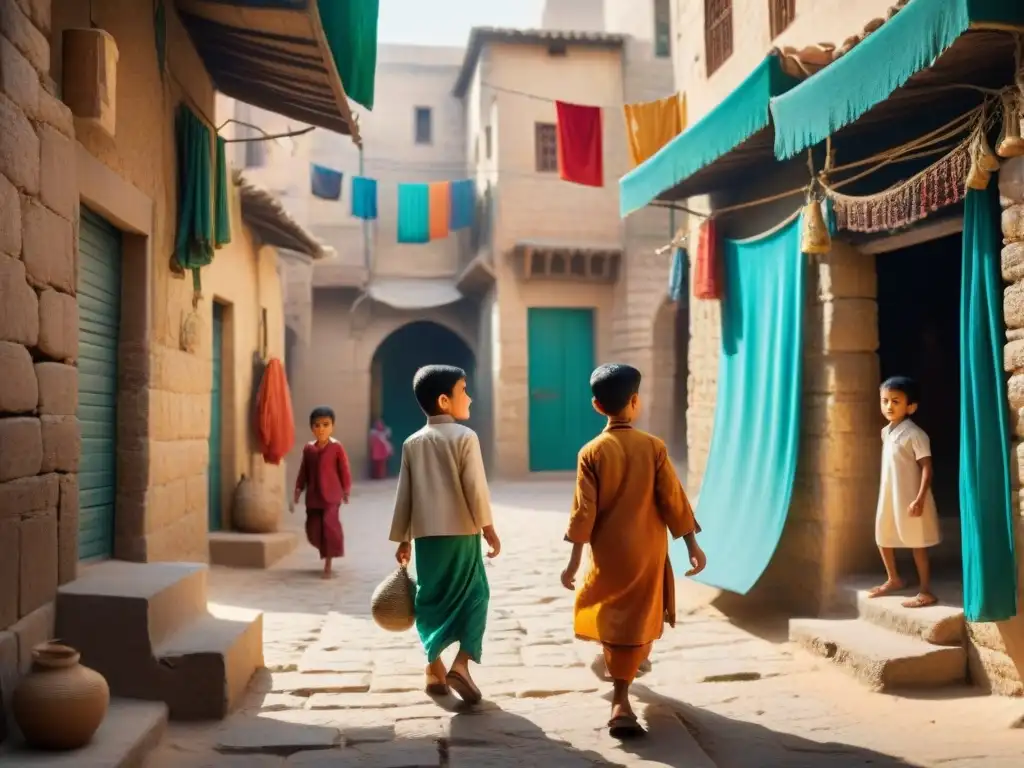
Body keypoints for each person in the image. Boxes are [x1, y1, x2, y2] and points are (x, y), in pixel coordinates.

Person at [561, 363, 705, 740]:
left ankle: (623, 685)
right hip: (647, 552)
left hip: (608, 555)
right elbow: (673, 500)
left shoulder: (590, 452)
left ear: (596, 405)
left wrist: (574, 561)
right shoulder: (653, 447)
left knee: (612, 615)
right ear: (636, 402)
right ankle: (621, 699)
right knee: (641, 614)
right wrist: (692, 543)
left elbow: (583, 512)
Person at [390, 365, 500, 705]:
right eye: (463, 390)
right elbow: (475, 488)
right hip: (462, 534)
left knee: (430, 599)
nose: (469, 396)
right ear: (444, 400)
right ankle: (461, 666)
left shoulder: (411, 443)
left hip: (426, 538)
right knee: (475, 595)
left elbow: (404, 495)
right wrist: (489, 528)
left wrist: (404, 538)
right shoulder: (466, 437)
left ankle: (433, 670)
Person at [869, 376, 941, 608]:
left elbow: (927, 467)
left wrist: (919, 498)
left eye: (896, 401)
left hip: (911, 497)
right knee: (883, 534)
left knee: (916, 542)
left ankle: (925, 590)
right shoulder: (885, 432)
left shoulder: (915, 434)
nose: (889, 406)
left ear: (911, 406)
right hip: (890, 495)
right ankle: (894, 578)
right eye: (885, 401)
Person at [293, 406, 351, 579]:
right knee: (313, 528)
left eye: (326, 425)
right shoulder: (309, 449)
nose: (321, 429)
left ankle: (328, 561)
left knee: (329, 526)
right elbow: (303, 471)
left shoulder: (336, 448)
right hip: (313, 496)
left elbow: (344, 470)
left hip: (332, 496)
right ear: (312, 428)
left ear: (332, 426)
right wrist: (298, 489)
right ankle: (324, 548)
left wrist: (346, 490)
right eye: (317, 425)